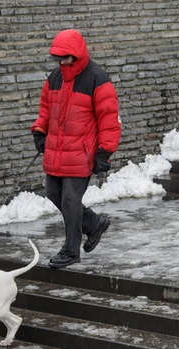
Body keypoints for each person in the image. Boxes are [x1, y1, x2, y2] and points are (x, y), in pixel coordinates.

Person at [30, 29, 121, 269]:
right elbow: (45, 109)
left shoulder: (97, 79)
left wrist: (104, 153)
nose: (62, 62)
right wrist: (40, 131)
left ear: (77, 54)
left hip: (82, 153)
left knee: (70, 200)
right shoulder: (54, 78)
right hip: (56, 151)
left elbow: (109, 119)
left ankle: (71, 251)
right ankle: (93, 223)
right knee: (53, 193)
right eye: (58, 58)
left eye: (66, 57)